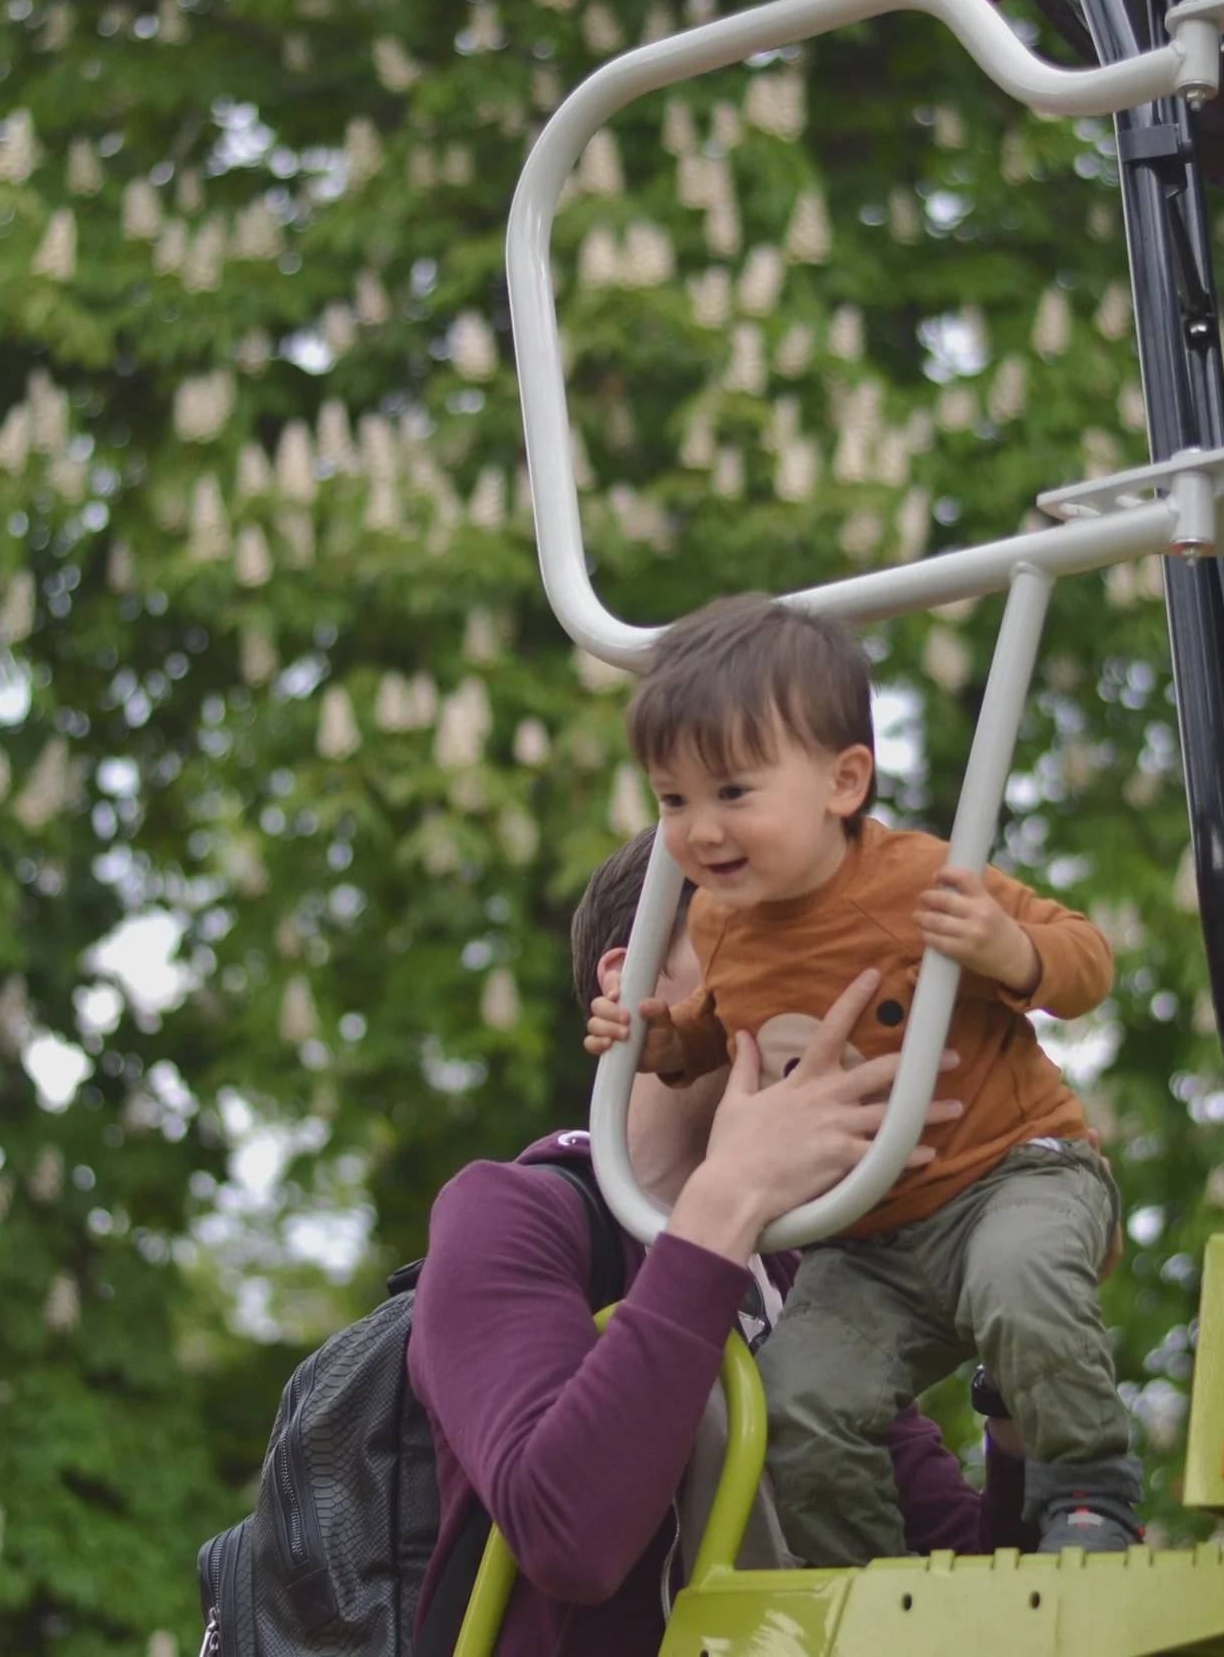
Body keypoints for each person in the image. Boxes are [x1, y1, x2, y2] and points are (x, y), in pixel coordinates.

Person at [583, 594, 1140, 1563]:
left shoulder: (916, 879)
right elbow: (720, 1029)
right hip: (869, 1236)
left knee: (1019, 1285)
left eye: (733, 793)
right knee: (799, 1397)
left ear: (843, 782)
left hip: (1011, 1176)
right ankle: (870, 1586)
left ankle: (1088, 1493)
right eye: (674, 800)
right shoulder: (717, 924)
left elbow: (1085, 958)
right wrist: (662, 1042)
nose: (700, 831)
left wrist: (1007, 950)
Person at [408, 831, 1034, 1657]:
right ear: (634, 987)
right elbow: (570, 1536)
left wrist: (1026, 1379)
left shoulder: (812, 1278)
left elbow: (983, 1598)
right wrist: (732, 1196)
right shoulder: (512, 1215)